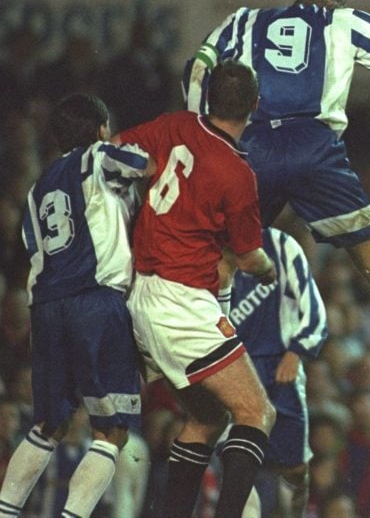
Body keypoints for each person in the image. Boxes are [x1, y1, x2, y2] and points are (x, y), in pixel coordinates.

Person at [182, 0, 370, 396]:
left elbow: (198, 68)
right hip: (314, 148)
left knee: (224, 256)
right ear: (331, 7)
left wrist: (202, 127)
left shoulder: (243, 19)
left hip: (252, 147)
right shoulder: (342, 20)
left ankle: (216, 354)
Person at [116, 61, 279, 518]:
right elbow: (249, 258)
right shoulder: (236, 172)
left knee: (208, 418)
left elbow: (115, 149)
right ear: (255, 107)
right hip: (180, 302)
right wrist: (268, 271)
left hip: (141, 294)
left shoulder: (175, 124)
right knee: (257, 412)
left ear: (206, 100)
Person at [1, 93, 152, 517]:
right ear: (102, 128)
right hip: (96, 300)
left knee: (49, 425)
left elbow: (32, 253)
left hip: (47, 309)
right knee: (112, 431)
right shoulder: (100, 156)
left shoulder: (37, 188)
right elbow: (145, 167)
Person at [228, 227, 328, 518]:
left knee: (295, 466)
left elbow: (315, 310)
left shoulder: (280, 243)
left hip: (279, 366)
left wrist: (297, 351)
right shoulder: (209, 246)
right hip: (234, 370)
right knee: (239, 463)